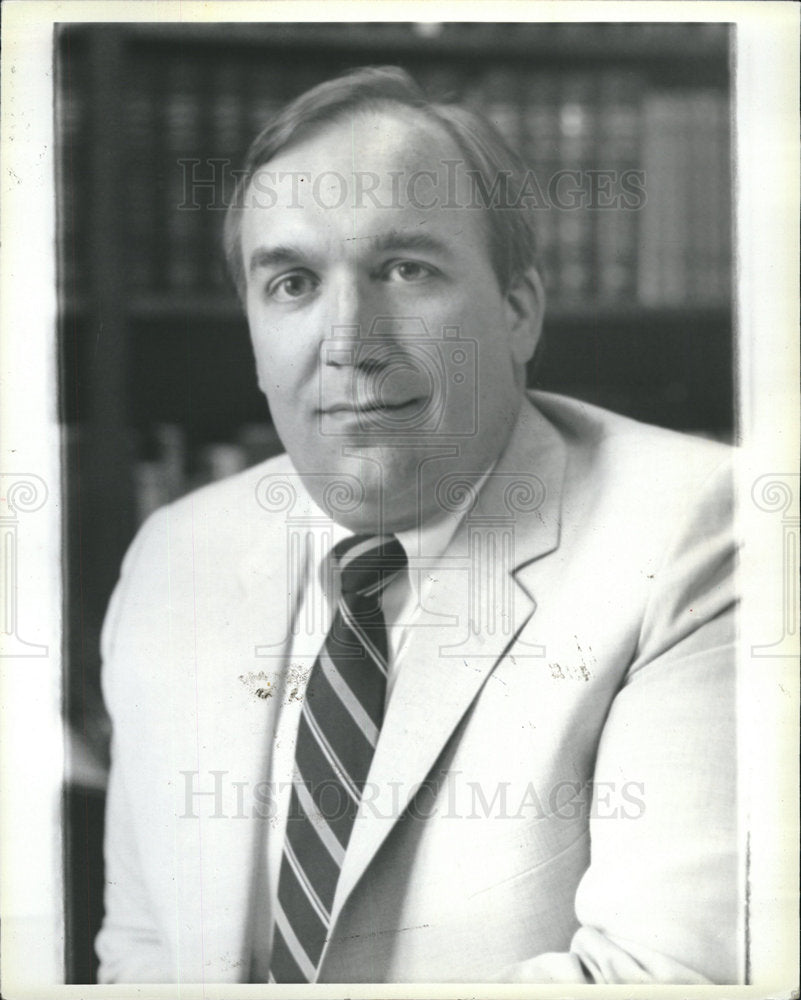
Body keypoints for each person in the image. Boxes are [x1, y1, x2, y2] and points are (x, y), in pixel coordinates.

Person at [95, 67, 738, 984]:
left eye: (405, 269)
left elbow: (663, 979)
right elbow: (142, 959)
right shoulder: (175, 555)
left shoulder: (699, 534)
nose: (350, 339)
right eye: (291, 282)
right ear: (251, 333)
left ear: (518, 311)